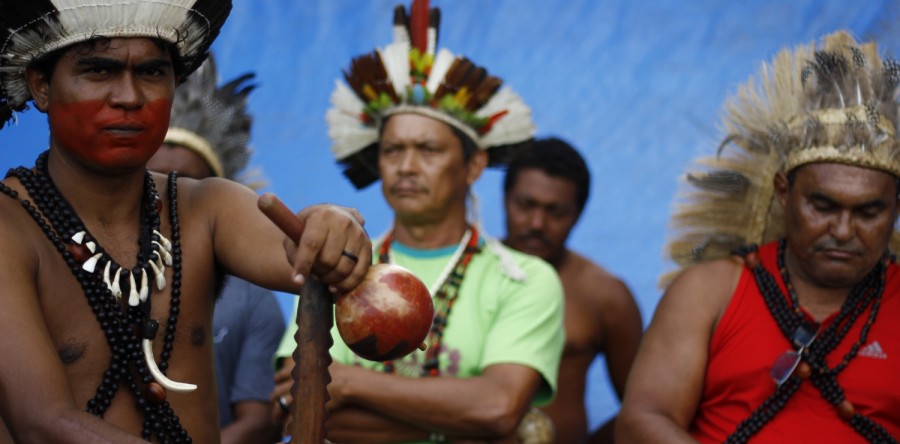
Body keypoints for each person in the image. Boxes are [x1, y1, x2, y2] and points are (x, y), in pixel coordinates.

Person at [0, 1, 371, 442]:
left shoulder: (206, 208)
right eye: (99, 71)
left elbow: (300, 251)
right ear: (41, 85)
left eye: (152, 73)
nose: (129, 97)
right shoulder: (10, 227)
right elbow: (43, 423)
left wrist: (336, 226)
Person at [271, 1, 565, 442]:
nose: (406, 166)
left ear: (474, 165)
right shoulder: (334, 262)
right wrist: (455, 421)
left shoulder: (524, 280)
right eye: (392, 150)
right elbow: (296, 411)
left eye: (428, 150)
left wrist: (349, 383)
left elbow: (497, 409)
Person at [617, 31, 900, 443]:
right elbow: (641, 423)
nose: (842, 230)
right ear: (783, 192)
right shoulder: (708, 291)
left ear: (895, 210)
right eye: (822, 206)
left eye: (868, 212)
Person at [146, 54, 285, 444]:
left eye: (187, 184)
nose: (166, 196)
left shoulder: (254, 297)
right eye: (152, 180)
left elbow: (260, 421)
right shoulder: (88, 269)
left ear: (218, 194)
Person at [502, 138, 642, 444]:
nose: (538, 223)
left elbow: (645, 409)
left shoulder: (605, 296)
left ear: (578, 214)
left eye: (557, 211)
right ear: (505, 199)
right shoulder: (467, 273)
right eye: (526, 205)